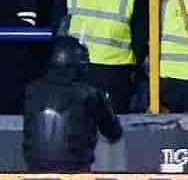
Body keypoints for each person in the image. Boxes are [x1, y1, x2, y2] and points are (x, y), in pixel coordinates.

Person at [19, 33, 122, 170]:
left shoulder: (30, 90)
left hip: (34, 169)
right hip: (76, 171)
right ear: (80, 65)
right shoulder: (90, 94)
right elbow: (113, 132)